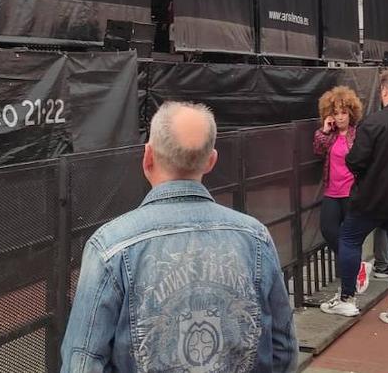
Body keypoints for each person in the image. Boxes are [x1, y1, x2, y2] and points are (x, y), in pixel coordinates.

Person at [62, 102, 297, 370]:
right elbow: (283, 347)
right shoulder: (255, 238)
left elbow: (81, 362)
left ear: (147, 156)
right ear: (211, 160)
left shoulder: (109, 247)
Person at [323, 71, 388, 329]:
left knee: (349, 238)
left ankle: (347, 297)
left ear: (384, 91)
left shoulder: (374, 122)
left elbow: (355, 160)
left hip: (371, 198)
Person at [312, 86, 364, 263]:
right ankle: (352, 263)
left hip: (351, 192)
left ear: (351, 113)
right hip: (332, 192)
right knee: (328, 230)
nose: (340, 117)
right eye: (336, 113)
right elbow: (318, 152)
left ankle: (350, 270)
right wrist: (325, 131)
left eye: (344, 112)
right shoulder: (329, 135)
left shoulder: (358, 134)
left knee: (350, 234)